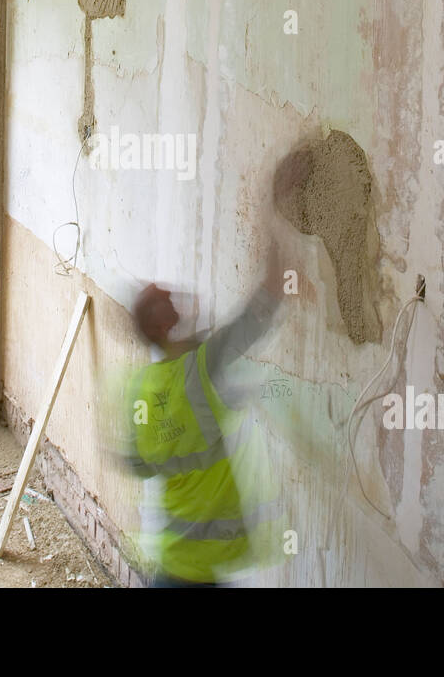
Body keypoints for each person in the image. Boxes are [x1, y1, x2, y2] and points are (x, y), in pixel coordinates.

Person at [123, 172, 298, 586]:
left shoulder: (145, 387)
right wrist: (276, 216)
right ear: (164, 328)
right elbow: (264, 305)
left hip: (169, 561)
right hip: (199, 571)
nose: (181, 301)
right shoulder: (204, 366)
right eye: (172, 303)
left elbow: (137, 463)